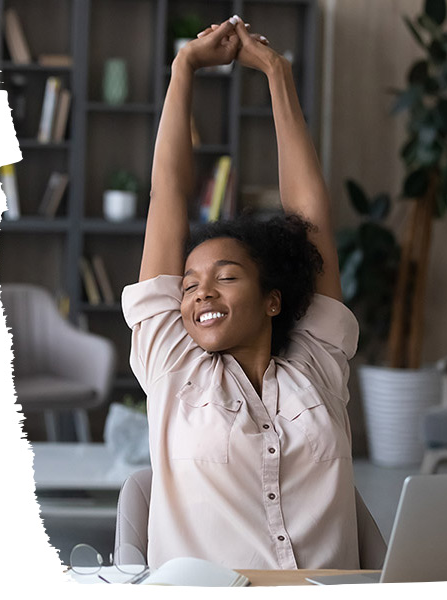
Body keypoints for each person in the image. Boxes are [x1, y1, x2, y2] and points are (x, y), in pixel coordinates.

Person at [121, 15, 360, 570]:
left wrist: (277, 74)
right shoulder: (170, 360)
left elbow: (310, 219)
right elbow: (168, 196)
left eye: (225, 277)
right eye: (189, 286)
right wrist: (184, 69)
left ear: (273, 299)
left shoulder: (317, 362)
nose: (201, 293)